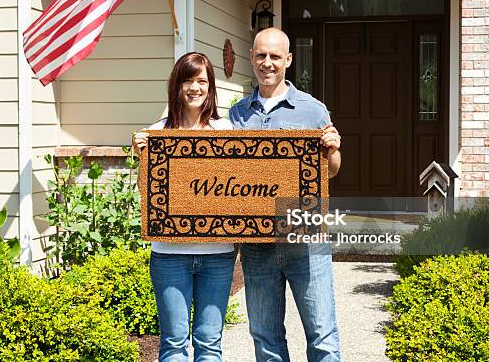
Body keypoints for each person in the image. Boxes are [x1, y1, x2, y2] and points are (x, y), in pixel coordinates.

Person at [228, 27, 342, 362]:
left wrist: (332, 150)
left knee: (322, 338)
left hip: (305, 242)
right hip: (257, 247)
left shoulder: (313, 110)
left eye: (275, 56)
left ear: (288, 60)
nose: (267, 63)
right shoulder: (237, 114)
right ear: (251, 58)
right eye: (261, 55)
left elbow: (331, 170)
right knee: (266, 340)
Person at [133, 52, 235, 362]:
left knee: (209, 342)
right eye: (188, 80)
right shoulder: (157, 133)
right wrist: (143, 159)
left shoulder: (227, 132)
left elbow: (238, 191)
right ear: (177, 85)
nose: (195, 87)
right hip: (169, 254)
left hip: (218, 254)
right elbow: (146, 194)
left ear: (211, 87)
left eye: (202, 81)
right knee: (174, 342)